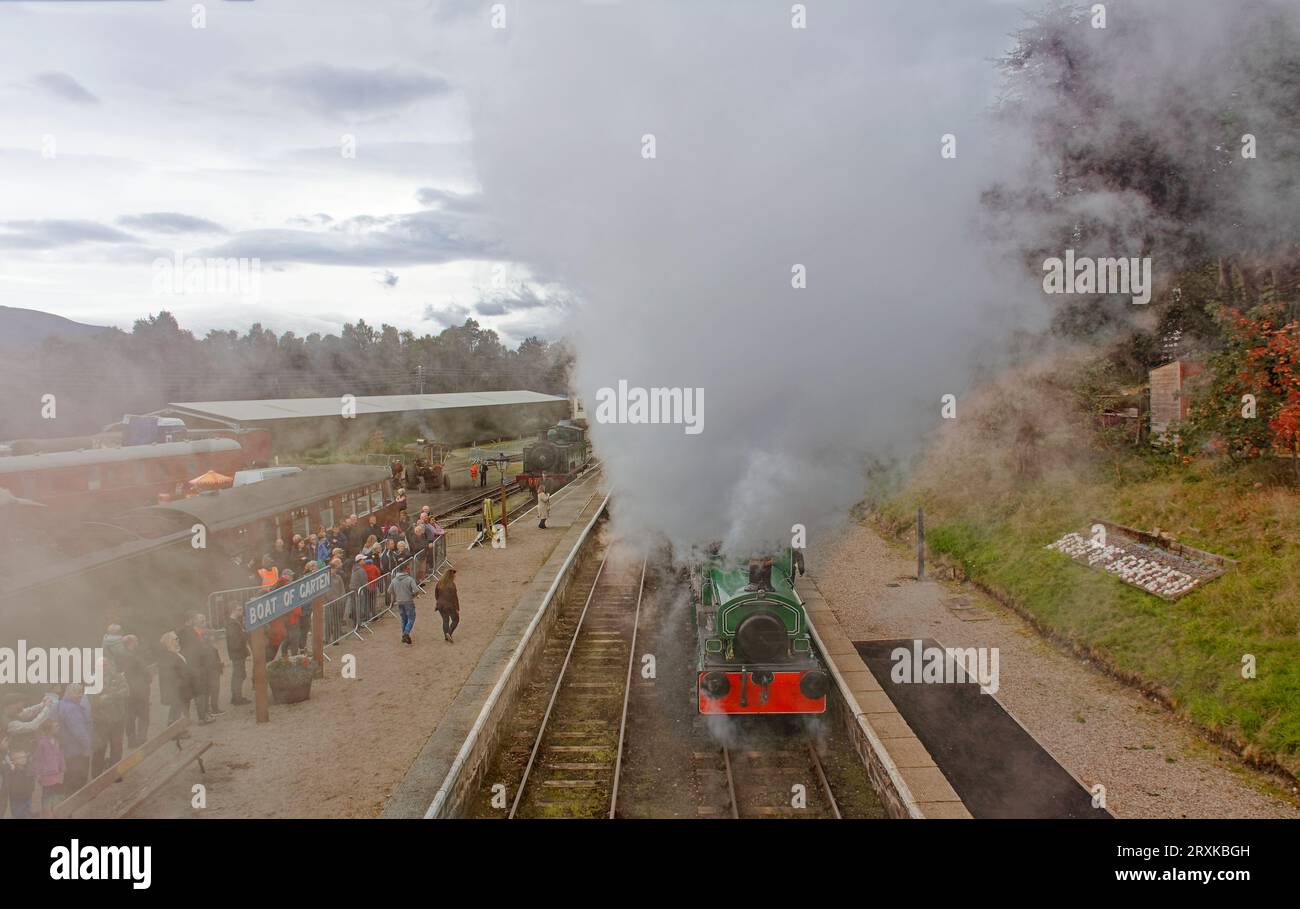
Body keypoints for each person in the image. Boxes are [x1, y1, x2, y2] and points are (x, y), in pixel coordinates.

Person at [89, 657, 128, 777]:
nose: (104, 668)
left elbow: (126, 691)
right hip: (101, 721)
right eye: (101, 666)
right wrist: (112, 697)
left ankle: (115, 774)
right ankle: (97, 776)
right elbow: (94, 702)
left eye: (106, 665)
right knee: (99, 749)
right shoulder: (91, 681)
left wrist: (108, 696)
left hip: (118, 719)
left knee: (117, 746)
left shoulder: (118, 677)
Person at [157, 631, 202, 727]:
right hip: (177, 690)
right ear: (169, 642)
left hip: (183, 688)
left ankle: (180, 729)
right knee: (177, 711)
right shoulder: (168, 656)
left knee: (180, 710)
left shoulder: (176, 653)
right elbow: (171, 676)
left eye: (178, 638)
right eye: (176, 639)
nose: (178, 641)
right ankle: (175, 731)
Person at [55, 684, 92, 793]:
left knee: (69, 775)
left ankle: (67, 799)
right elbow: (79, 731)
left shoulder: (60, 704)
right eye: (77, 692)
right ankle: (75, 801)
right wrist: (87, 746)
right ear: (69, 693)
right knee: (78, 778)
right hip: (77, 749)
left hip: (66, 747)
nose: (80, 695)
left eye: (81, 692)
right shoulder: (72, 709)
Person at [117, 635, 152, 747]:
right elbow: (130, 673)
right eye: (136, 640)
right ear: (131, 642)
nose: (137, 642)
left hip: (130, 691)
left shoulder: (124, 655)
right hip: (137, 690)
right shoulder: (129, 656)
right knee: (142, 715)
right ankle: (140, 738)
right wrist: (146, 679)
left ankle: (133, 740)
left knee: (131, 717)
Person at [33, 720, 65, 818]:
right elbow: (38, 759)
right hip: (46, 774)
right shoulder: (42, 743)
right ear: (49, 729)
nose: (58, 728)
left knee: (55, 793)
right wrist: (38, 773)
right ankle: (46, 814)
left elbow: (60, 755)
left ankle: (54, 811)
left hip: (55, 772)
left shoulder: (56, 741)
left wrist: (62, 766)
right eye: (56, 726)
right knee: (46, 794)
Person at [389, 562, 421, 645]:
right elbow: (417, 590)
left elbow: (389, 590)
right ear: (405, 569)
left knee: (403, 619)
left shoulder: (394, 580)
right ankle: (406, 633)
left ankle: (404, 636)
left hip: (399, 601)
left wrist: (397, 594)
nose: (410, 569)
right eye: (408, 567)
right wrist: (413, 595)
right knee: (411, 618)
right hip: (408, 601)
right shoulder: (409, 579)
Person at [225, 605, 251, 706]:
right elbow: (235, 641)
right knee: (238, 675)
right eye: (239, 609)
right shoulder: (232, 624)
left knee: (240, 674)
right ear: (233, 610)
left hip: (238, 652)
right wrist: (245, 635)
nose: (241, 611)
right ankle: (237, 698)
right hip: (237, 653)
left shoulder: (235, 622)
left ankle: (236, 696)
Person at [435, 568, 460, 643]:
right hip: (449, 605)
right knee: (456, 620)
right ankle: (449, 633)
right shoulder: (452, 585)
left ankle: (446, 636)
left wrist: (438, 603)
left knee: (445, 620)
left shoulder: (439, 583)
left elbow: (436, 595)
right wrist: (457, 608)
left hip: (440, 605)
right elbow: (454, 598)